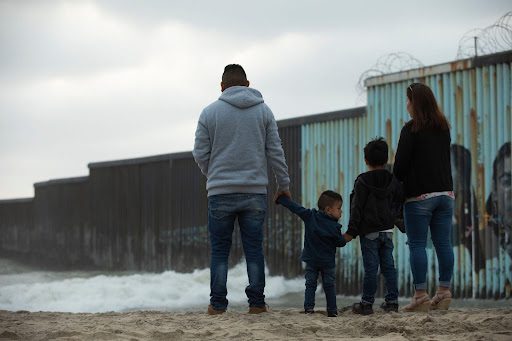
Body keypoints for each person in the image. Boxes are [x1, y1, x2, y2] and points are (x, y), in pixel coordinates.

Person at [192, 64, 291, 315]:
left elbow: (199, 154)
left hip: (219, 192)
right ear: (247, 84)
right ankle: (257, 304)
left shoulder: (209, 113)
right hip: (254, 192)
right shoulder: (264, 112)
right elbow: (275, 152)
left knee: (220, 251)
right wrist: (284, 184)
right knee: (254, 250)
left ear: (222, 86)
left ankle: (217, 305)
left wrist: (213, 175)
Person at [393, 82, 455, 311]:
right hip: (446, 194)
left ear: (415, 102)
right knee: (443, 243)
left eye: (408, 100)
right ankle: (444, 291)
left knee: (417, 244)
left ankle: (420, 295)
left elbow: (399, 168)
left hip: (419, 196)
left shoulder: (411, 129)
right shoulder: (443, 127)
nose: (406, 104)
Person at [344, 137, 403, 315]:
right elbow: (398, 204)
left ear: (366, 160)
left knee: (371, 268)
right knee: (389, 267)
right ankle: (392, 302)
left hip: (369, 232)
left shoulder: (362, 181)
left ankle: (367, 303)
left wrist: (351, 232)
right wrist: (399, 222)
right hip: (387, 231)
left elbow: (357, 209)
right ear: (385, 159)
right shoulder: (393, 181)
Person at [276, 190, 346, 317]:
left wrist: (282, 199)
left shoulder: (310, 216)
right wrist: (348, 236)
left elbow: (295, 208)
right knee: (329, 286)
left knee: (310, 284)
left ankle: (308, 309)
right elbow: (340, 242)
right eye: (339, 208)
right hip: (327, 262)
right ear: (329, 210)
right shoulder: (334, 227)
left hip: (311, 260)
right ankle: (332, 311)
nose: (341, 211)